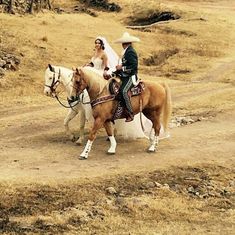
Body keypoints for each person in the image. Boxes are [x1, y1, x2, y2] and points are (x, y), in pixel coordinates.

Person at [114, 32, 140, 122]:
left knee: (124, 91)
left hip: (131, 76)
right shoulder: (126, 52)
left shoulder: (130, 52)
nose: (123, 44)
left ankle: (130, 113)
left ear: (128, 43)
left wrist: (122, 67)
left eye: (124, 43)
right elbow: (125, 64)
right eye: (123, 43)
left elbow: (134, 66)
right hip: (125, 76)